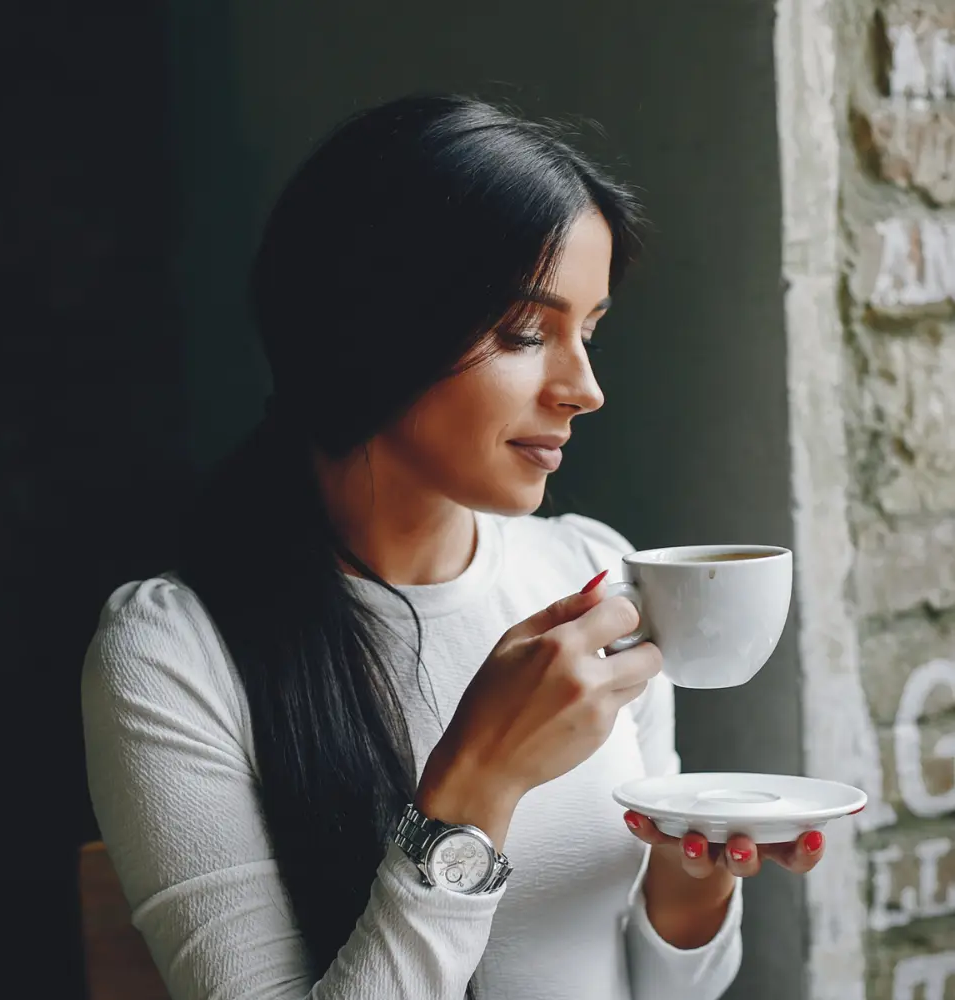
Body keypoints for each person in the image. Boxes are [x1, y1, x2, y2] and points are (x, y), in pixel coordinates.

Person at [81, 94, 825, 1000]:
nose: (584, 388)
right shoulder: (173, 652)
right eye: (525, 332)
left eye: (588, 332)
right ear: (369, 325)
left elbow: (671, 990)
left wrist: (695, 874)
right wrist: (478, 785)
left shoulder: (588, 574)